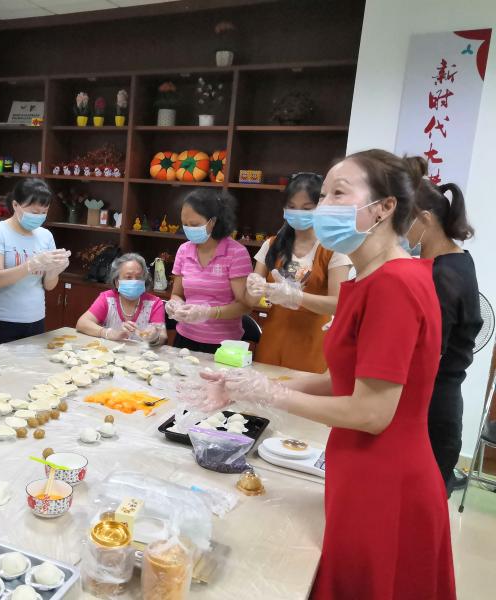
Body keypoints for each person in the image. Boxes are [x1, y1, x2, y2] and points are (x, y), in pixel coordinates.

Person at [184, 150, 455, 599]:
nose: (323, 207)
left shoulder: (395, 285)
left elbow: (372, 413)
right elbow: (340, 381)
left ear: (385, 207)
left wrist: (270, 394)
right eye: (323, 194)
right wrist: (246, 388)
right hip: (355, 467)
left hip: (385, 480)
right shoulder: (367, 280)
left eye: (337, 194)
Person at [405, 175, 482, 495]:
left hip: (433, 405)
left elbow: (429, 352)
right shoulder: (456, 259)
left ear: (425, 219)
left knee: (422, 498)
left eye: (404, 220)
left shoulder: (444, 273)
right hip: (439, 397)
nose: (399, 230)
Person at [246, 173, 352, 373]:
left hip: (311, 348)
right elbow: (250, 300)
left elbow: (339, 304)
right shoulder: (272, 245)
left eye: (306, 208)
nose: (298, 213)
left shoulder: (333, 249)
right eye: (292, 207)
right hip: (271, 343)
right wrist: (253, 286)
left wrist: (296, 297)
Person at [0, 178, 69, 348]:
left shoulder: (46, 236)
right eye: (34, 212)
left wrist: (55, 270)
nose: (39, 216)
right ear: (15, 205)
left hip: (35, 318)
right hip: (1, 320)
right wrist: (30, 265)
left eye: (44, 212)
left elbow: (49, 285)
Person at [167, 189, 253, 354]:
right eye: (185, 224)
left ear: (213, 221)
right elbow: (177, 294)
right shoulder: (184, 250)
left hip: (223, 344)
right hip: (185, 338)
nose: (188, 229)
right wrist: (175, 305)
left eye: (194, 224)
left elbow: (245, 306)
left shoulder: (236, 253)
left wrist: (208, 312)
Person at [76, 253, 166, 345]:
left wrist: (154, 338)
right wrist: (108, 333)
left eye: (139, 277)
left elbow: (162, 336)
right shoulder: (107, 299)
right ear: (117, 282)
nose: (134, 281)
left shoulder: (154, 303)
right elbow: (82, 323)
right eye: (128, 277)